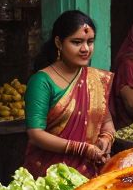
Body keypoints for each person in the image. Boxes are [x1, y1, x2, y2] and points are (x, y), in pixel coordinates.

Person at [23, 11, 115, 179]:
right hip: (50, 175)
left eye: (90, 42)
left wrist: (106, 138)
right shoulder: (42, 81)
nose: (85, 49)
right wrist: (81, 148)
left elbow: (106, 120)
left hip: (89, 173)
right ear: (59, 43)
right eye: (76, 42)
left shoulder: (95, 79)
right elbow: (36, 134)